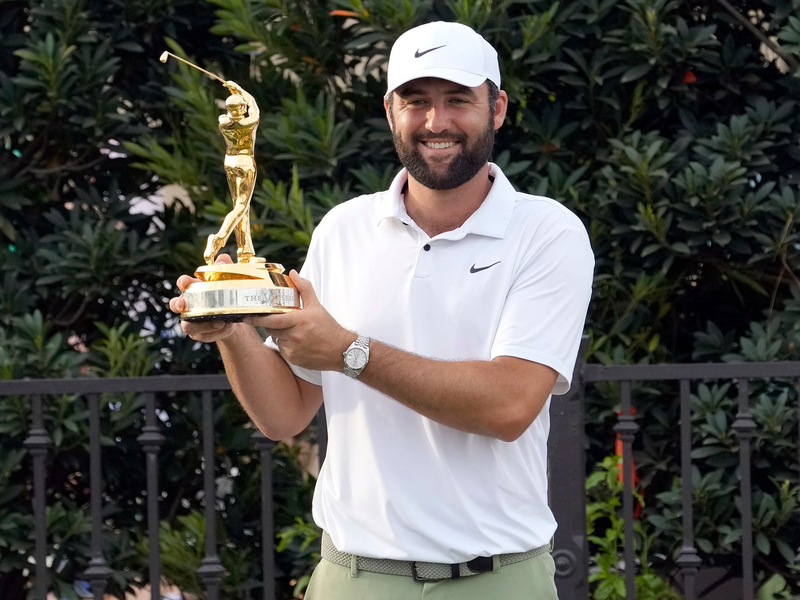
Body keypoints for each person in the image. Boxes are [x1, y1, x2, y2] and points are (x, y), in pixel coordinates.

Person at [170, 21, 593, 600]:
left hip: (496, 580)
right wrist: (230, 332)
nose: (436, 122)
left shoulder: (547, 232)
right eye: (417, 102)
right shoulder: (344, 227)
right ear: (390, 110)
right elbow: (284, 416)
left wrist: (348, 352)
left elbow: (510, 405)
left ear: (497, 109)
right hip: (354, 578)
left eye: (457, 100)